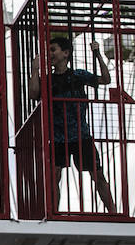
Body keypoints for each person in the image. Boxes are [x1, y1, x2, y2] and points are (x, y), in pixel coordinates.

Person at [48, 35, 118, 214]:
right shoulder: (48, 80)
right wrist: (35, 69)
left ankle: (113, 211)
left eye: (53, 50)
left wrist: (97, 55)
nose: (50, 54)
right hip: (58, 136)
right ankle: (54, 213)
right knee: (55, 175)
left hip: (80, 135)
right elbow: (33, 93)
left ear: (65, 53)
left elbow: (106, 79)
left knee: (97, 174)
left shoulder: (78, 75)